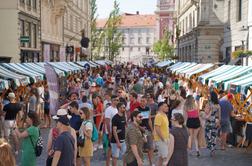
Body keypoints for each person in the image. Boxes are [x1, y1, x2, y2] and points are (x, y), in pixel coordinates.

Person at [137, 95, 153, 166]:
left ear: (146, 102)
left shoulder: (148, 108)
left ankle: (151, 163)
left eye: (144, 101)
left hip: (147, 130)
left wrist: (152, 130)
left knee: (150, 147)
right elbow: (135, 122)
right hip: (139, 130)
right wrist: (140, 128)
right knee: (140, 147)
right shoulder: (137, 109)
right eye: (141, 101)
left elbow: (149, 120)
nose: (142, 102)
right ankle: (140, 163)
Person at [205, 91, 221, 156]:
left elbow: (206, 112)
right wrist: (219, 122)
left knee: (208, 136)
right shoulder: (218, 105)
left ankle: (211, 148)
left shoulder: (208, 104)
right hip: (215, 121)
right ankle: (213, 149)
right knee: (214, 136)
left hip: (209, 121)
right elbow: (219, 115)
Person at [154, 102, 170, 166]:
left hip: (165, 138)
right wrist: (163, 139)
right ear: (160, 107)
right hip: (161, 139)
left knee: (161, 157)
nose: (167, 108)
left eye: (167, 106)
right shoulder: (159, 116)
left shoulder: (164, 115)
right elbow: (157, 129)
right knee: (165, 158)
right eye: (165, 106)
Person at [105, 95, 119, 166]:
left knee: (112, 148)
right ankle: (107, 163)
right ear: (112, 101)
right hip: (110, 132)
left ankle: (108, 163)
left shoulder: (117, 109)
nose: (116, 101)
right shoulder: (108, 109)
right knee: (111, 148)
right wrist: (109, 133)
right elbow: (107, 122)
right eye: (115, 100)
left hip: (116, 131)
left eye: (117, 100)